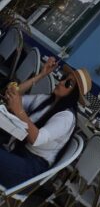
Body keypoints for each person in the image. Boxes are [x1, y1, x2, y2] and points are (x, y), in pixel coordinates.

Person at [0, 55, 91, 187]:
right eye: (63, 78)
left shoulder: (66, 117)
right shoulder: (47, 101)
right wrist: (41, 75)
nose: (61, 82)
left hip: (30, 170)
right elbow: (15, 96)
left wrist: (19, 111)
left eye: (68, 83)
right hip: (17, 152)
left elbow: (36, 139)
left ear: (74, 93)